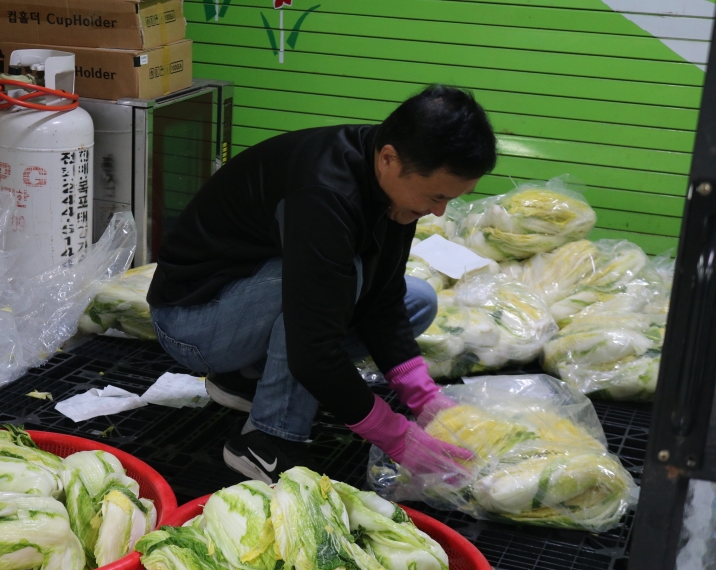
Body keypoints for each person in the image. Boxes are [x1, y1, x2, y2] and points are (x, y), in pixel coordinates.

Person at [146, 85, 497, 483]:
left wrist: (424, 398)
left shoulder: (393, 181)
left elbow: (384, 297)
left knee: (418, 299)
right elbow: (314, 347)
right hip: (192, 321)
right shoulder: (325, 192)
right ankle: (267, 441)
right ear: (389, 159)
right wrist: (396, 437)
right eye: (436, 196)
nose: (440, 211)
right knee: (339, 283)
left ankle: (245, 377)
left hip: (245, 303)